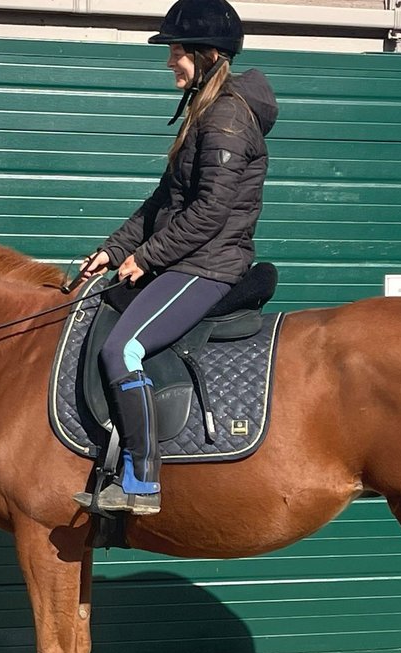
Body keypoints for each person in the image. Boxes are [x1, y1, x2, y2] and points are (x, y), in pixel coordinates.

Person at [75, 0, 279, 516]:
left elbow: (210, 211)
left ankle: (141, 481)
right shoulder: (206, 110)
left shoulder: (228, 116)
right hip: (186, 257)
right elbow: (162, 202)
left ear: (207, 55)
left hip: (208, 265)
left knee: (122, 351)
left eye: (177, 53)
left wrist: (146, 258)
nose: (170, 62)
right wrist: (113, 249)